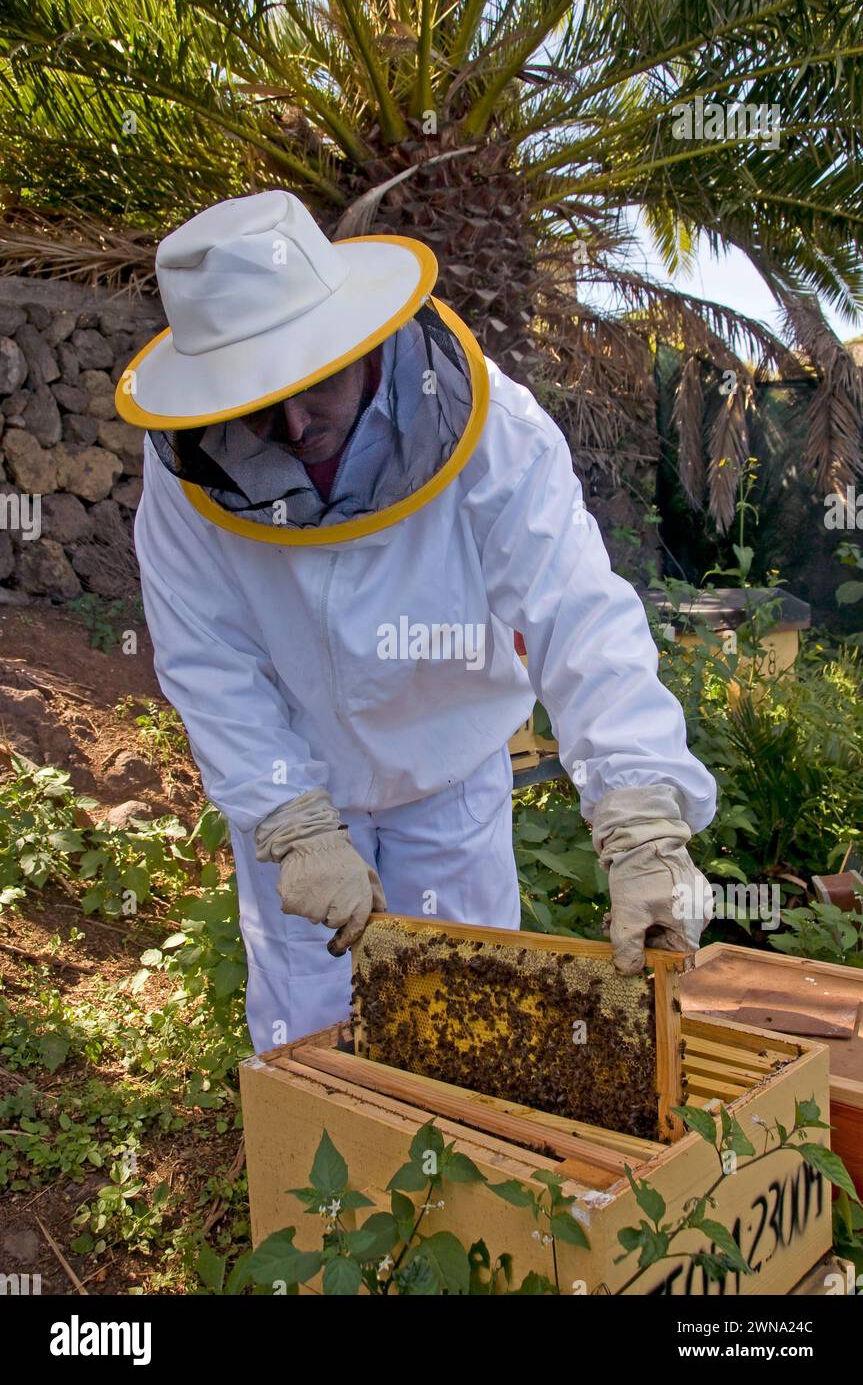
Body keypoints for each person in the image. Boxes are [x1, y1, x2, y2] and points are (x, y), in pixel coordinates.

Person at [117, 190, 716, 1054]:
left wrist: (640, 815)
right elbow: (206, 652)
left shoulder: (487, 421)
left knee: (468, 1019)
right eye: (257, 401)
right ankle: (322, 1190)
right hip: (302, 782)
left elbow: (572, 604)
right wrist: (289, 820)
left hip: (450, 774)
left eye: (312, 382)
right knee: (308, 1036)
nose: (291, 424)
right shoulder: (185, 468)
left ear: (358, 341)